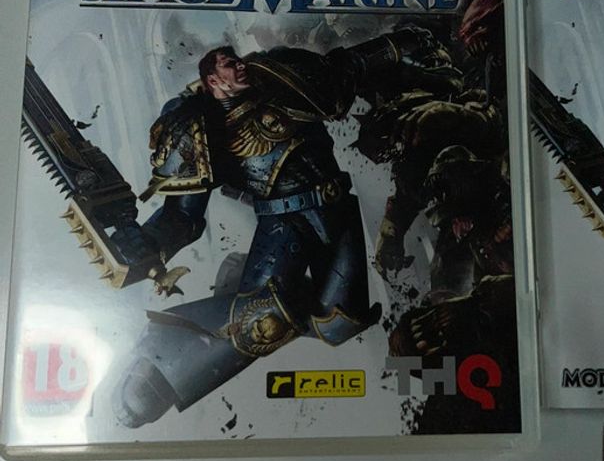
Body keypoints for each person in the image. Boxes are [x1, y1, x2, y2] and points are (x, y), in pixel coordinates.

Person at [111, 27, 437, 425]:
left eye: (236, 59)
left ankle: (248, 288)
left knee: (339, 323)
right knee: (265, 321)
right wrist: (146, 242)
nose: (238, 65)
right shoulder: (200, 126)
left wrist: (399, 46)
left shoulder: (280, 75)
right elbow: (183, 215)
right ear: (212, 80)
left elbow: (346, 66)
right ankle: (157, 367)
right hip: (284, 223)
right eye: (227, 64)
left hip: (336, 208)